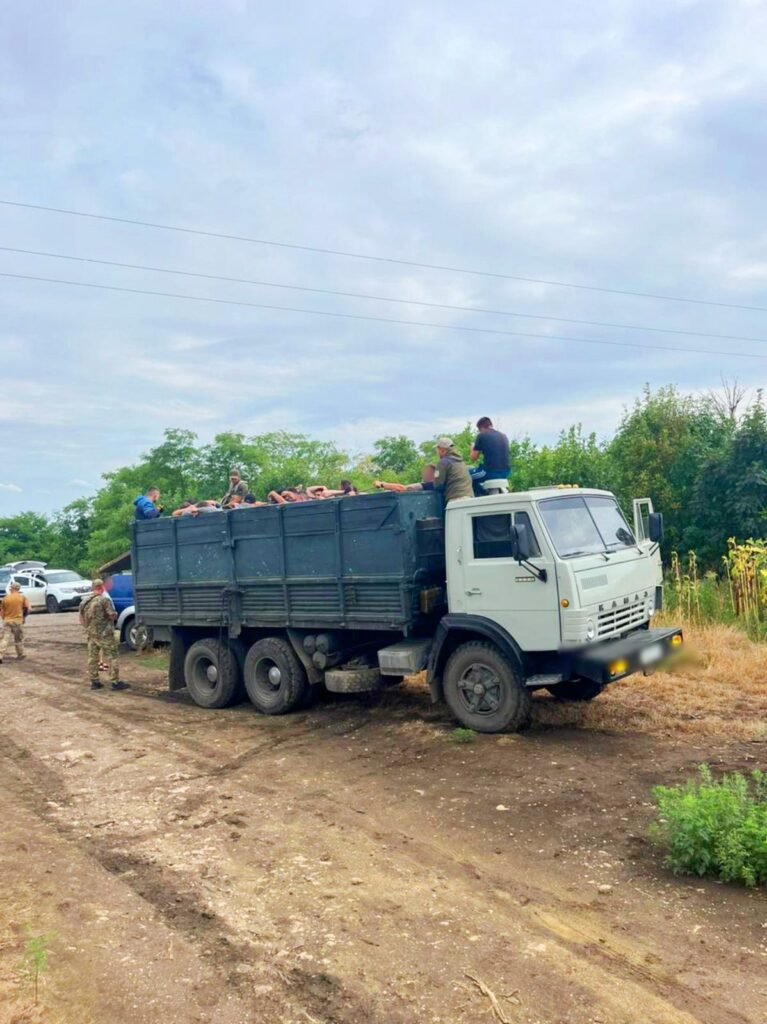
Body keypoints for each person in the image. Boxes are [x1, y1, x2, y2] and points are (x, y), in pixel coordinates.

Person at [79, 578, 129, 692]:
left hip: (91, 634)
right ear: (102, 587)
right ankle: (115, 682)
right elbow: (111, 615)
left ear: (92, 588)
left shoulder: (84, 602)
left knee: (93, 658)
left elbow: (81, 620)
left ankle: (94, 682)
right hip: (105, 634)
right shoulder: (104, 600)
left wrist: (89, 627)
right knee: (112, 657)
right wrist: (115, 615)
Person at [470, 417, 510, 495]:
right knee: (476, 475)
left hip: (490, 472)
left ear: (481, 428)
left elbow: (473, 458)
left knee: (465, 476)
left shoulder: (481, 435)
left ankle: (482, 495)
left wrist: (472, 448)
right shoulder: (503, 436)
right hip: (506, 472)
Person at [433, 438, 473, 502]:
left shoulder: (443, 462)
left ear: (442, 450)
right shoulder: (461, 462)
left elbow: (438, 485)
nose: (437, 452)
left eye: (437, 449)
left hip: (455, 499)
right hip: (469, 498)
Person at [0, 581, 30, 662]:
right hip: (18, 621)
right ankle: (20, 654)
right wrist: (23, 618)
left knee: (4, 639)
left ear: (12, 588)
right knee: (18, 639)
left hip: (7, 621)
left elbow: (1, 611)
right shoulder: (22, 598)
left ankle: (0, 656)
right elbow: (27, 609)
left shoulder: (5, 599)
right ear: (18, 588)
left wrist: (4, 619)